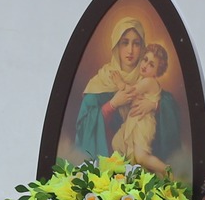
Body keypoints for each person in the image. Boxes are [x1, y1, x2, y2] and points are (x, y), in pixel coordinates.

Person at [76, 16, 181, 169]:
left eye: (136, 44)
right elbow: (83, 127)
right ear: (116, 46)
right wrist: (112, 105)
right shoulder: (101, 81)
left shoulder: (147, 79)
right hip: (107, 171)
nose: (130, 50)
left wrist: (155, 105)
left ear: (142, 47)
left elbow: (171, 110)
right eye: (125, 42)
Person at [112, 43, 174, 173]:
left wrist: (120, 83)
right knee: (117, 143)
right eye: (145, 60)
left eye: (151, 65)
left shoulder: (149, 82)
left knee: (140, 157)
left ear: (158, 71)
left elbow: (131, 92)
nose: (145, 65)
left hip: (143, 123)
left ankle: (166, 169)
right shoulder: (143, 79)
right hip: (135, 121)